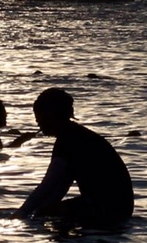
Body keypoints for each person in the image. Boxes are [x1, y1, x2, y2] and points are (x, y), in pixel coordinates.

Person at [16, 87, 133, 228]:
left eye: (39, 117)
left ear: (50, 114)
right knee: (48, 213)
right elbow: (60, 187)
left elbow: (47, 186)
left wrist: (19, 216)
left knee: (48, 215)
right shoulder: (76, 135)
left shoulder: (68, 141)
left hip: (106, 207)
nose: (37, 123)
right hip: (121, 207)